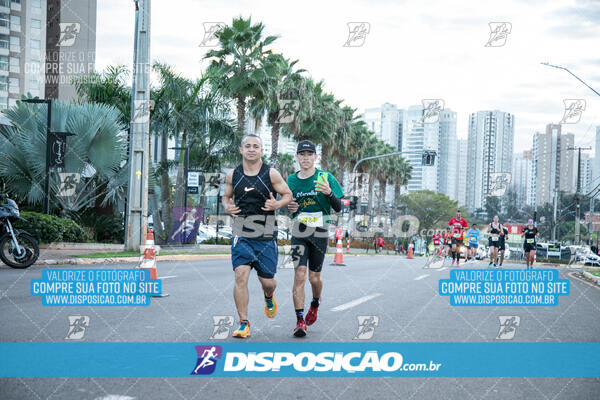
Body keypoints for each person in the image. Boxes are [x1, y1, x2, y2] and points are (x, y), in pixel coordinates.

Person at [222, 134, 292, 338]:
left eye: (256, 146)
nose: (251, 149)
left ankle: (269, 296)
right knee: (240, 275)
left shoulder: (271, 174)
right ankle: (244, 322)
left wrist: (277, 204)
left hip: (266, 233)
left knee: (268, 281)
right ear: (241, 150)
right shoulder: (232, 175)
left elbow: (287, 195)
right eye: (247, 146)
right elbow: (226, 197)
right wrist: (228, 207)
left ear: (261, 151)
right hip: (241, 231)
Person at [287, 140, 344, 337]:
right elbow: (289, 204)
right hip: (299, 232)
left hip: (320, 232)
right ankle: (300, 320)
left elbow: (339, 207)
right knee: (299, 275)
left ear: (315, 157)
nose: (305, 157)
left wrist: (328, 193)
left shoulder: (325, 177)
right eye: (301, 154)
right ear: (297, 157)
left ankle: (315, 302)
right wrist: (290, 207)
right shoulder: (291, 181)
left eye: (309, 154)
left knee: (314, 278)